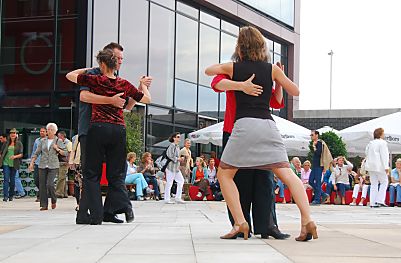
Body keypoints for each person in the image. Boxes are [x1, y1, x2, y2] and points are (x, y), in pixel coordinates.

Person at [205, 26, 316, 241]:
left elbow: (209, 71)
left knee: (227, 175)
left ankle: (242, 223)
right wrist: (275, 76)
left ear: (240, 46)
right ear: (262, 46)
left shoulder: (233, 67)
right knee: (287, 175)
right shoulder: (270, 69)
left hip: (243, 128)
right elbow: (295, 92)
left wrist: (244, 83)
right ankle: (307, 220)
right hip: (268, 126)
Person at [66, 48, 151, 224]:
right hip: (118, 130)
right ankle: (125, 207)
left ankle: (97, 216)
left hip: (98, 128)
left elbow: (70, 75)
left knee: (91, 174)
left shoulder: (95, 80)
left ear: (102, 64)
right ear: (114, 63)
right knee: (117, 174)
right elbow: (145, 100)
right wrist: (142, 85)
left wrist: (88, 69)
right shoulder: (124, 83)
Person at [211, 61, 289, 239]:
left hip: (257, 132)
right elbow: (215, 83)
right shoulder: (232, 69)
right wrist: (240, 85)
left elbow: (276, 102)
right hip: (234, 130)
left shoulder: (263, 73)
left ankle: (268, 225)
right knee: (238, 181)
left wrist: (277, 80)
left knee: (265, 180)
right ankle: (240, 224)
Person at [29, 123, 67, 210]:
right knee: (42, 185)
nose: (49, 131)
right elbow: (37, 152)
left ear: (55, 131)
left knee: (50, 184)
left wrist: (57, 148)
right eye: (48, 129)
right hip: (42, 165)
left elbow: (65, 153)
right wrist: (32, 162)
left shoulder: (59, 141)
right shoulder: (42, 141)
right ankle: (44, 205)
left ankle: (54, 200)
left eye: (51, 130)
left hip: (53, 165)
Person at [365, 128, 389, 208]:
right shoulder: (382, 143)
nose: (384, 134)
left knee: (374, 183)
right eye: (383, 133)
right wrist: (386, 166)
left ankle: (372, 202)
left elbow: (366, 153)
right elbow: (384, 155)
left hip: (370, 166)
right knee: (384, 182)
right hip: (379, 165)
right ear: (380, 134)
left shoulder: (370, 143)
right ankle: (380, 200)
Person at [0, 128, 23, 202]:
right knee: (6, 179)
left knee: (12, 180)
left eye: (14, 133)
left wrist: (15, 157)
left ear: (16, 135)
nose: (13, 134)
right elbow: (1, 151)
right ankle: (5, 196)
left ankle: (11, 196)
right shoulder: (6, 143)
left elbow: (21, 154)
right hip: (6, 163)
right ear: (9, 135)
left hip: (14, 163)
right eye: (11, 133)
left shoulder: (19, 143)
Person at [309, 130, 332, 205]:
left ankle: (317, 199)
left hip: (319, 165)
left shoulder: (319, 143)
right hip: (315, 165)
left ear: (316, 135)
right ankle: (323, 194)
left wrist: (314, 146)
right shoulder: (316, 143)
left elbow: (318, 153)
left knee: (318, 182)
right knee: (311, 181)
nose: (311, 136)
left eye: (312, 135)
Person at [164, 132, 185, 204]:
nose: (179, 138)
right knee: (169, 183)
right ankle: (167, 199)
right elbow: (170, 155)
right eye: (178, 137)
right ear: (174, 138)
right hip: (170, 167)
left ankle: (178, 197)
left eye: (179, 137)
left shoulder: (177, 146)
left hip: (176, 168)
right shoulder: (172, 146)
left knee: (181, 181)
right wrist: (178, 159)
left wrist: (179, 160)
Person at [31, 127, 47, 202]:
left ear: (46, 132)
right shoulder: (37, 140)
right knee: (36, 179)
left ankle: (40, 196)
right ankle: (42, 193)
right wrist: (32, 162)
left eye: (43, 131)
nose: (42, 132)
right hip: (37, 162)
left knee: (42, 180)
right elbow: (34, 151)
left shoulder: (49, 140)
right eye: (41, 131)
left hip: (46, 163)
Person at [55, 131, 72, 198]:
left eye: (58, 137)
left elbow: (68, 153)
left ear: (62, 136)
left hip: (65, 163)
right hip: (61, 162)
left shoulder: (68, 143)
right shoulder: (62, 143)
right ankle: (65, 193)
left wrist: (69, 163)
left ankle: (59, 193)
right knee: (63, 178)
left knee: (61, 178)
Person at [69, 134, 82, 211]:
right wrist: (71, 161)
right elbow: (73, 150)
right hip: (78, 163)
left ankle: (83, 203)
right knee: (77, 184)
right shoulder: (78, 136)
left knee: (84, 185)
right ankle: (78, 203)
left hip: (89, 162)